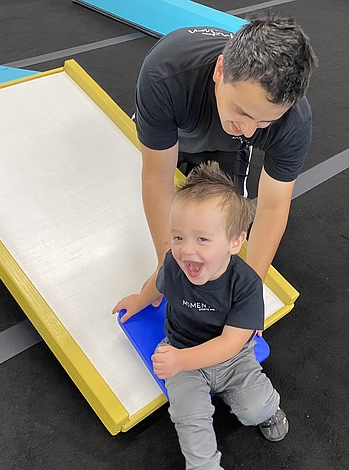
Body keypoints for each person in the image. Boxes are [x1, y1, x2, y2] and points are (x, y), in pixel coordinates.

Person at [113, 163, 288, 470]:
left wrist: (180, 359)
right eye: (178, 237)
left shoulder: (246, 284)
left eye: (203, 239)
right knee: (189, 417)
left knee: (253, 410)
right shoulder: (175, 264)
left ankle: (270, 409)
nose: (186, 249)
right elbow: (157, 283)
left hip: (231, 359)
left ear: (235, 242)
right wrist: (141, 298)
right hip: (182, 352)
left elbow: (232, 342)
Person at [135, 15, 317, 301]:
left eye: (263, 122)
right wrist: (168, 266)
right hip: (179, 125)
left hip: (226, 146)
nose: (247, 129)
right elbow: (158, 176)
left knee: (224, 217)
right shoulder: (164, 74)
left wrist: (250, 293)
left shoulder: (294, 123)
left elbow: (272, 207)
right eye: (242, 111)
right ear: (220, 70)